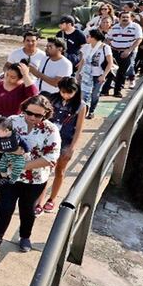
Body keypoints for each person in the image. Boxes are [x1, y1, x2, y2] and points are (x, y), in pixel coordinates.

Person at [0, 95, 61, 258]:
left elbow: (52, 158)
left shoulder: (51, 130)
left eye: (38, 115)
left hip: (35, 179)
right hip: (9, 176)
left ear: (46, 114)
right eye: (29, 113)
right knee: (4, 209)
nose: (32, 117)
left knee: (27, 209)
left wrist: (22, 165)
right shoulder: (12, 121)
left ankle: (25, 236)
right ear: (23, 109)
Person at [38, 77, 87, 214]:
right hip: (48, 139)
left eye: (69, 92)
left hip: (66, 141)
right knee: (44, 170)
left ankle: (52, 199)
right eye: (63, 92)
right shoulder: (52, 99)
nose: (65, 95)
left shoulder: (81, 106)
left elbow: (79, 128)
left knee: (59, 170)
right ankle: (39, 201)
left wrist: (72, 148)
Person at [0, 63, 39, 128]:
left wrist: (25, 75)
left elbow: (34, 95)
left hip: (14, 125)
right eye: (7, 75)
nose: (8, 79)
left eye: (13, 77)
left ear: (21, 78)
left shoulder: (24, 88)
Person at [103, 11, 143, 98]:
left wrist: (129, 50)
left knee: (122, 72)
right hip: (114, 51)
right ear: (119, 18)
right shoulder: (114, 27)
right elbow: (108, 38)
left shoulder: (135, 26)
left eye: (127, 17)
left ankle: (117, 91)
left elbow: (139, 39)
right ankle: (105, 90)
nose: (125, 19)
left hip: (127, 51)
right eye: (123, 17)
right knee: (111, 71)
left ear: (130, 18)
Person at [76, 28, 113, 119]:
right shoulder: (86, 47)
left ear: (93, 37)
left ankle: (91, 111)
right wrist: (78, 72)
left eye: (88, 36)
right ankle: (83, 111)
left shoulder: (105, 47)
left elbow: (110, 62)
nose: (86, 38)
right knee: (84, 93)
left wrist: (103, 75)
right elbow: (83, 60)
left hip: (98, 75)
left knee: (95, 94)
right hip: (86, 74)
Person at [0, 117, 30, 184]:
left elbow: (24, 143)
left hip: (17, 157)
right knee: (1, 165)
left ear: (6, 130)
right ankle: (3, 177)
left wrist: (27, 152)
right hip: (5, 155)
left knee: (18, 167)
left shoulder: (16, 137)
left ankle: (13, 178)